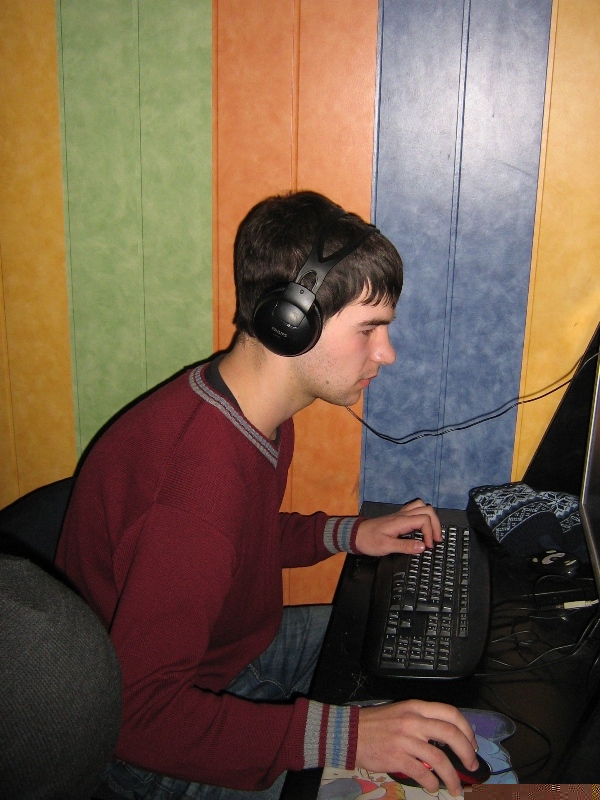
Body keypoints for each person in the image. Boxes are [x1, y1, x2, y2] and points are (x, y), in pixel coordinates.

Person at [55, 190, 479, 800]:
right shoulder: (197, 483)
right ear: (292, 322)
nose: (386, 353)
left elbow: (241, 538)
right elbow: (137, 714)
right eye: (369, 329)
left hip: (230, 658)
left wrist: (348, 534)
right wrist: (347, 737)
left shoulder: (249, 409)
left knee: (404, 646)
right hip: (153, 741)